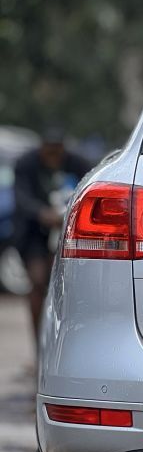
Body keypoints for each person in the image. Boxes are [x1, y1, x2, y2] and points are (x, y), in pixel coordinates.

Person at [13, 126, 90, 349]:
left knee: (61, 287)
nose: (53, 157)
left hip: (64, 229)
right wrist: (42, 214)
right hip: (33, 232)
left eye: (58, 151)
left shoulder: (77, 163)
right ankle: (37, 344)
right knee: (37, 282)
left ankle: (60, 344)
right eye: (49, 151)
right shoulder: (26, 164)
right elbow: (21, 197)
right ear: (41, 149)